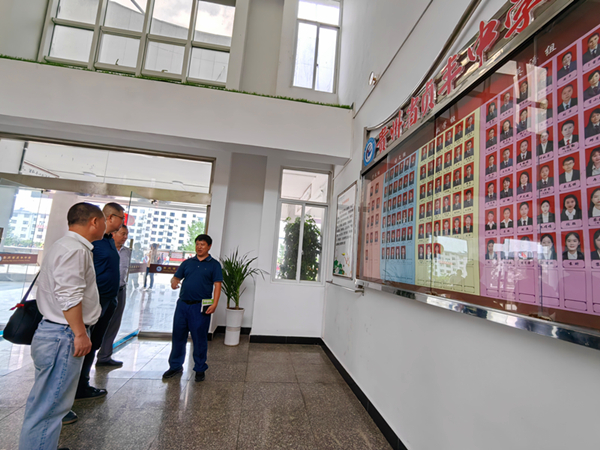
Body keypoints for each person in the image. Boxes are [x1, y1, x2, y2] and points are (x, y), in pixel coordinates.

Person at [18, 203, 105, 450]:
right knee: (49, 407)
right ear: (94, 222)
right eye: (103, 221)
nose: (105, 226)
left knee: (47, 403)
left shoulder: (64, 245)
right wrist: (80, 333)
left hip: (56, 333)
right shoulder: (75, 250)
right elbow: (69, 296)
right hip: (63, 335)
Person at [75, 202, 124, 401]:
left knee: (95, 342)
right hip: (95, 300)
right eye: (121, 218)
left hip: (109, 300)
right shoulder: (92, 242)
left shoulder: (108, 240)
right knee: (85, 343)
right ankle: (76, 386)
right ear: (110, 217)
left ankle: (83, 383)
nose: (123, 222)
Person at [163, 234, 222, 382]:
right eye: (197, 244)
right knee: (178, 336)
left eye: (202, 244)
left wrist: (215, 303)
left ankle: (200, 368)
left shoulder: (214, 265)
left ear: (209, 246)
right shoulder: (187, 263)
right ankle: (175, 366)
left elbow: (217, 285)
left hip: (201, 306)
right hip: (183, 305)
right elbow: (176, 277)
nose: (199, 247)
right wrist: (173, 281)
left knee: (199, 338)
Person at [96, 225, 131, 367]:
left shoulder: (127, 252)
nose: (125, 237)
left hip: (120, 290)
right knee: (97, 322)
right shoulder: (104, 249)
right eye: (123, 234)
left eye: (126, 234)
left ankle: (104, 356)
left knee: (114, 323)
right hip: (104, 291)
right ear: (114, 234)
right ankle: (86, 357)